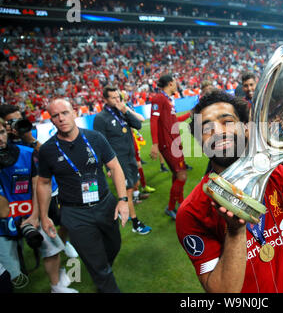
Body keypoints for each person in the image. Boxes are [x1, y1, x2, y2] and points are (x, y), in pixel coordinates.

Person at [176, 90, 283, 292]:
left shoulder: (278, 176)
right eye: (206, 128)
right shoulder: (192, 211)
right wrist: (235, 231)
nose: (219, 132)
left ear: (247, 128)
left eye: (227, 122)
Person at [38, 99, 129, 293]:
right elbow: (44, 183)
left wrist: (122, 200)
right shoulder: (47, 150)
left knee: (114, 246)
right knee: (98, 265)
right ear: (51, 120)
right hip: (74, 213)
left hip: (105, 205)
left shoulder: (95, 138)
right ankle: (103, 279)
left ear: (74, 112)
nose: (61, 118)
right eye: (55, 115)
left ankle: (102, 272)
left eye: (65, 112)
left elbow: (115, 167)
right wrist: (44, 216)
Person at [0, 118, 77, 293]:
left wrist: (36, 215)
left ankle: (56, 287)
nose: (0, 138)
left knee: (52, 247)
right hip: (2, 221)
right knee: (9, 272)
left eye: (2, 132)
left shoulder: (26, 153)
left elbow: (37, 185)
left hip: (30, 212)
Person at [94, 86, 151, 235]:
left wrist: (126, 110)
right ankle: (135, 223)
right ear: (105, 100)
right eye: (113, 98)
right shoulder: (100, 118)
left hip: (130, 157)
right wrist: (108, 168)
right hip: (118, 162)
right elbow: (100, 145)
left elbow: (138, 125)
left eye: (118, 97)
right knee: (128, 191)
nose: (117, 100)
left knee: (134, 185)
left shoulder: (122, 112)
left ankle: (120, 207)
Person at [150, 74, 191, 220]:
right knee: (182, 175)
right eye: (175, 82)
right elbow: (153, 121)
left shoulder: (168, 100)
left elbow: (175, 120)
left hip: (174, 142)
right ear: (170, 84)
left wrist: (190, 114)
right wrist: (155, 144)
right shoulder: (159, 99)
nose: (177, 84)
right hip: (167, 144)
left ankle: (180, 202)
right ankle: (171, 207)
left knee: (177, 173)